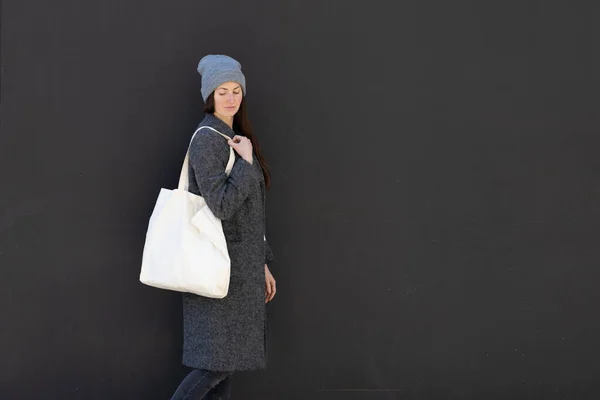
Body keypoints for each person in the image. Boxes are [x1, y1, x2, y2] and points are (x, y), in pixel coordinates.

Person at [170, 54, 277, 400]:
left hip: (239, 271)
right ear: (210, 97)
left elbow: (251, 212)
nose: (231, 98)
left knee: (224, 366)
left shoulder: (232, 136)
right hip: (219, 269)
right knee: (216, 364)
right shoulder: (207, 140)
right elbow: (222, 205)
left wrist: (261, 263)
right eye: (222, 92)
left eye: (236, 91)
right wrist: (246, 163)